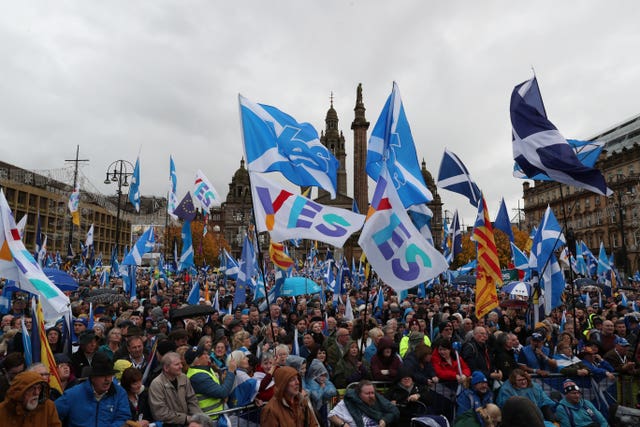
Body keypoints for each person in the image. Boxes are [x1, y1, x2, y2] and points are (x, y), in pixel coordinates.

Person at [55, 351, 131, 427]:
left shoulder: (120, 393)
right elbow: (51, 414)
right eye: (102, 375)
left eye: (109, 375)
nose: (107, 379)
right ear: (93, 377)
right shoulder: (73, 395)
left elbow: (123, 418)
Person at [148, 351, 203, 426]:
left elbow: (192, 400)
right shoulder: (157, 384)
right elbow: (160, 413)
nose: (181, 366)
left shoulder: (184, 378)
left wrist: (197, 418)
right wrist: (185, 419)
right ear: (166, 368)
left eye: (180, 363)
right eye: (177, 364)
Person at [185, 344, 236, 419]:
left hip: (217, 415)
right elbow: (222, 392)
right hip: (211, 418)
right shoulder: (198, 376)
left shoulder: (205, 368)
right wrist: (231, 371)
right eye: (204, 354)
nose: (208, 355)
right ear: (197, 362)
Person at [328, 379, 399, 427]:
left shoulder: (377, 399)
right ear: (359, 394)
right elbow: (331, 416)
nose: (371, 396)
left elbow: (394, 411)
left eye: (372, 393)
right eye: (367, 393)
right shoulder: (349, 401)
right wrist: (343, 425)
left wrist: (384, 420)